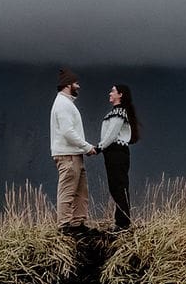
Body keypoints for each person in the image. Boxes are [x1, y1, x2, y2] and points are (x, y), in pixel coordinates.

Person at [49, 68, 98, 227]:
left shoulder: (65, 103)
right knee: (68, 191)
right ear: (67, 84)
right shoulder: (63, 104)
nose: (78, 86)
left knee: (80, 192)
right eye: (76, 83)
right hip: (68, 156)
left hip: (74, 155)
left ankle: (79, 223)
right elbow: (67, 132)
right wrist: (87, 147)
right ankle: (64, 225)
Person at [97, 83, 139, 230]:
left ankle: (123, 222)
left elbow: (112, 133)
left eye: (113, 91)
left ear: (120, 95)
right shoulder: (117, 112)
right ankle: (121, 220)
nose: (110, 93)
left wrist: (99, 148)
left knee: (118, 186)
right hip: (113, 152)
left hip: (116, 152)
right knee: (117, 186)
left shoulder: (119, 112)